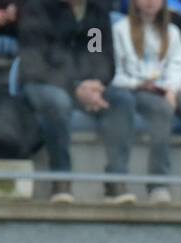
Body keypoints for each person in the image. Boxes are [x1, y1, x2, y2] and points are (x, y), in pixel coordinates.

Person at [18, 0, 137, 203]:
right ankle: (61, 180)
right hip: (44, 83)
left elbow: (99, 54)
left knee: (122, 101)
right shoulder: (36, 9)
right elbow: (35, 63)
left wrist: (95, 83)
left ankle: (116, 179)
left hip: (84, 86)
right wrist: (75, 88)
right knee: (58, 101)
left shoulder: (95, 12)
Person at [112, 0, 181, 204]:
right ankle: (158, 185)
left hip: (167, 89)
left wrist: (171, 89)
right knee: (162, 109)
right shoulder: (121, 29)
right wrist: (144, 84)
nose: (150, 2)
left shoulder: (172, 31)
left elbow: (178, 65)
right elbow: (119, 69)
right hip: (135, 89)